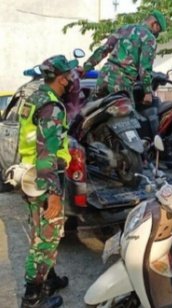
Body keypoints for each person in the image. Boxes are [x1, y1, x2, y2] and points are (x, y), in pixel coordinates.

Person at [18, 55, 77, 308]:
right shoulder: (51, 107)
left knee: (43, 233)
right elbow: (47, 153)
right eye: (70, 75)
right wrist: (53, 192)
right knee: (46, 239)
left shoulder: (34, 98)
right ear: (62, 78)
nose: (73, 79)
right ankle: (33, 296)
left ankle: (48, 279)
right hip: (45, 180)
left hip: (30, 176)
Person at [82, 10, 167, 106]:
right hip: (122, 82)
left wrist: (86, 67)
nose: (157, 35)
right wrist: (147, 92)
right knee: (130, 117)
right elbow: (144, 68)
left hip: (103, 77)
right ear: (154, 24)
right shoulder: (149, 38)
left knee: (94, 110)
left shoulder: (124, 28)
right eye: (158, 30)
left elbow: (104, 49)